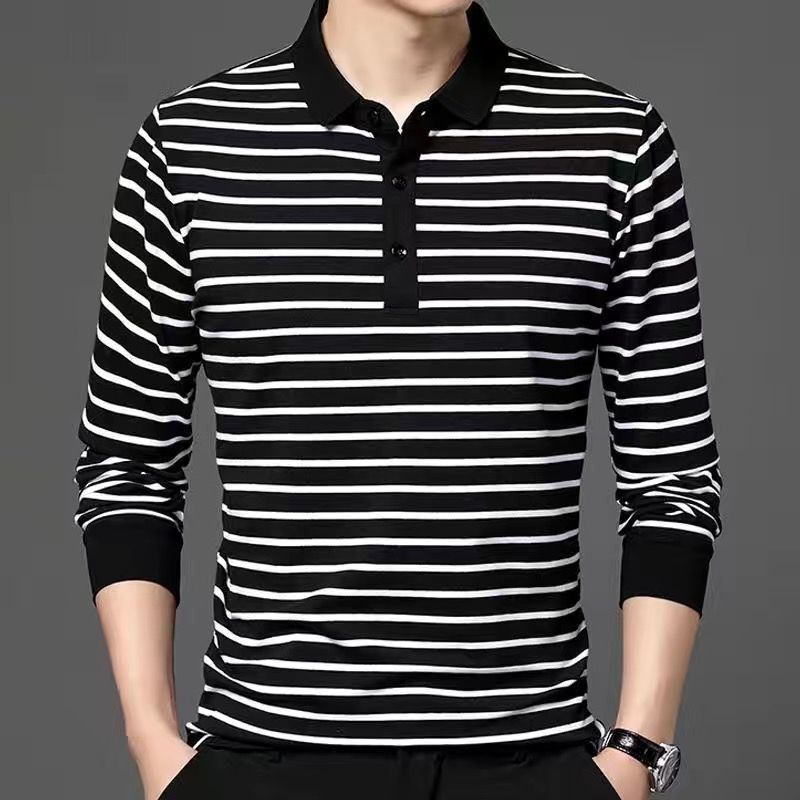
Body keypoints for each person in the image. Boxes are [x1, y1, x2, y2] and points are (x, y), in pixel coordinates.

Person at [71, 1, 724, 798]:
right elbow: (129, 465)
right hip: (262, 760)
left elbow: (672, 477)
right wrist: (153, 743)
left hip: (531, 761)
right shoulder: (189, 144)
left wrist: (635, 756)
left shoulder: (612, 144)